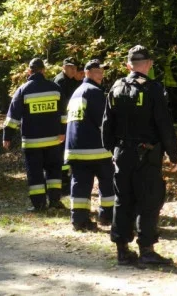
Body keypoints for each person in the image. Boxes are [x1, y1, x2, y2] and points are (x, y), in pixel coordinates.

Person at [102, 45, 177, 266]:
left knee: (122, 200)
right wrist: (173, 153)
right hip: (146, 154)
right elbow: (164, 124)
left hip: (122, 153)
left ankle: (122, 250)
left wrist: (111, 150)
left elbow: (106, 124)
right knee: (148, 200)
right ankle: (146, 251)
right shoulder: (154, 89)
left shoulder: (115, 88)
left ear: (128, 66)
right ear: (149, 64)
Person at [3, 58, 67, 211]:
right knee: (54, 171)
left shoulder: (23, 90)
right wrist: (63, 132)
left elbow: (13, 118)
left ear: (29, 71)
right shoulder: (55, 88)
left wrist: (7, 137)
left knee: (35, 174)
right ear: (43, 70)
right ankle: (55, 201)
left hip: (32, 142)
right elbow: (64, 114)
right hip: (53, 140)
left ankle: (39, 205)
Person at [65, 59, 114, 232]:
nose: (101, 74)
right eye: (96, 71)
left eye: (101, 70)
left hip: (76, 149)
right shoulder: (94, 92)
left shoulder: (77, 93)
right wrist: (114, 142)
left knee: (80, 185)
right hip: (96, 150)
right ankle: (107, 216)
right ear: (86, 73)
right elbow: (104, 123)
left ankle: (79, 221)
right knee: (107, 183)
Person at [54, 57, 81, 190]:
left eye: (75, 68)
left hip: (70, 120)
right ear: (63, 67)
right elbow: (62, 106)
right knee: (62, 153)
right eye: (70, 67)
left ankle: (66, 179)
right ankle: (63, 181)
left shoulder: (71, 81)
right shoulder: (61, 81)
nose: (73, 70)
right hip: (62, 122)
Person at [163, 45, 177, 123]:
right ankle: (174, 121)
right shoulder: (174, 58)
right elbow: (175, 73)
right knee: (175, 105)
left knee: (171, 104)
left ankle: (172, 120)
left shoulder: (169, 57)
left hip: (169, 84)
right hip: (175, 85)